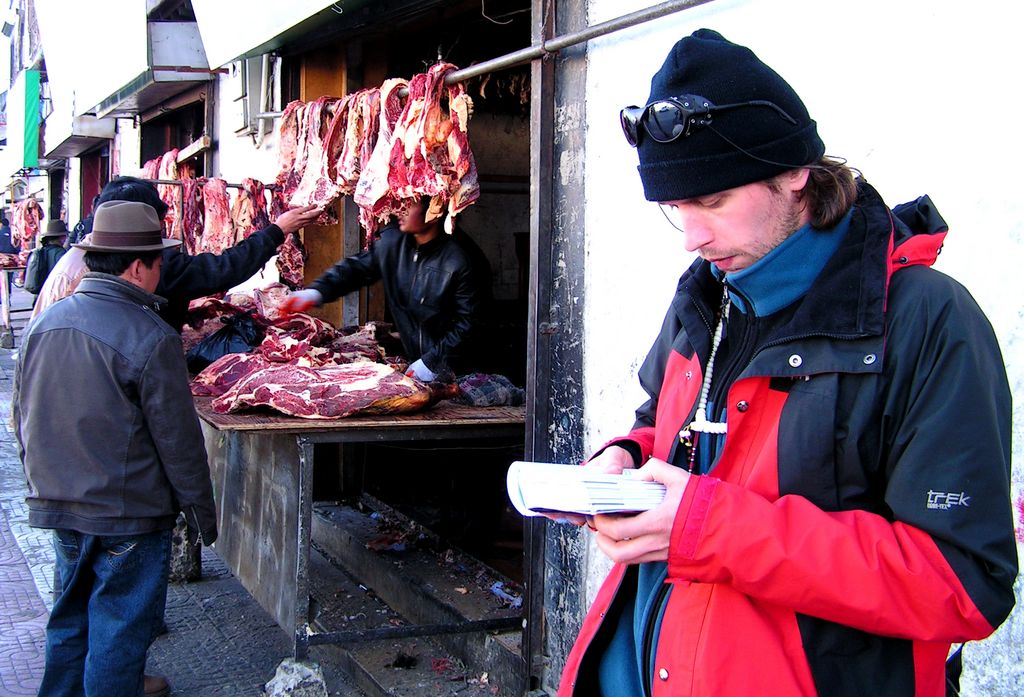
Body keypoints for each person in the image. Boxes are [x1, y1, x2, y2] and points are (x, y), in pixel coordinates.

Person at [556, 29, 1017, 697]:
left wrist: (709, 526)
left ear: (794, 172)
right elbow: (664, 426)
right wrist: (624, 459)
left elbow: (963, 582)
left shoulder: (927, 322)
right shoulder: (707, 297)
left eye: (712, 201)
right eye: (674, 207)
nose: (691, 235)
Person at [13, 201, 218, 697]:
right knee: (118, 632)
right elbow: (179, 441)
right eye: (159, 264)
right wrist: (202, 514)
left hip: (59, 505)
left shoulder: (45, 322)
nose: (161, 274)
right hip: (127, 515)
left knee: (69, 620)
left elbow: (20, 416)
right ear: (137, 267)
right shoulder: (151, 335)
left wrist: (40, 483)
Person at [30, 176, 321, 329]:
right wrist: (277, 231)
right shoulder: (134, 265)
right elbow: (218, 271)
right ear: (137, 269)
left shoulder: (84, 254)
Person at [282, 196, 491, 380]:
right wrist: (315, 292)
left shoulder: (463, 259)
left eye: (409, 204)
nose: (400, 209)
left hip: (461, 373)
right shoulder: (394, 242)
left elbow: (470, 323)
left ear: (434, 211)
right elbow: (356, 268)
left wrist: (432, 362)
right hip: (417, 365)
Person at [23, 220, 69, 296]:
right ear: (62, 237)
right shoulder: (60, 253)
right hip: (52, 293)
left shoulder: (42, 250)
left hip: (39, 294)